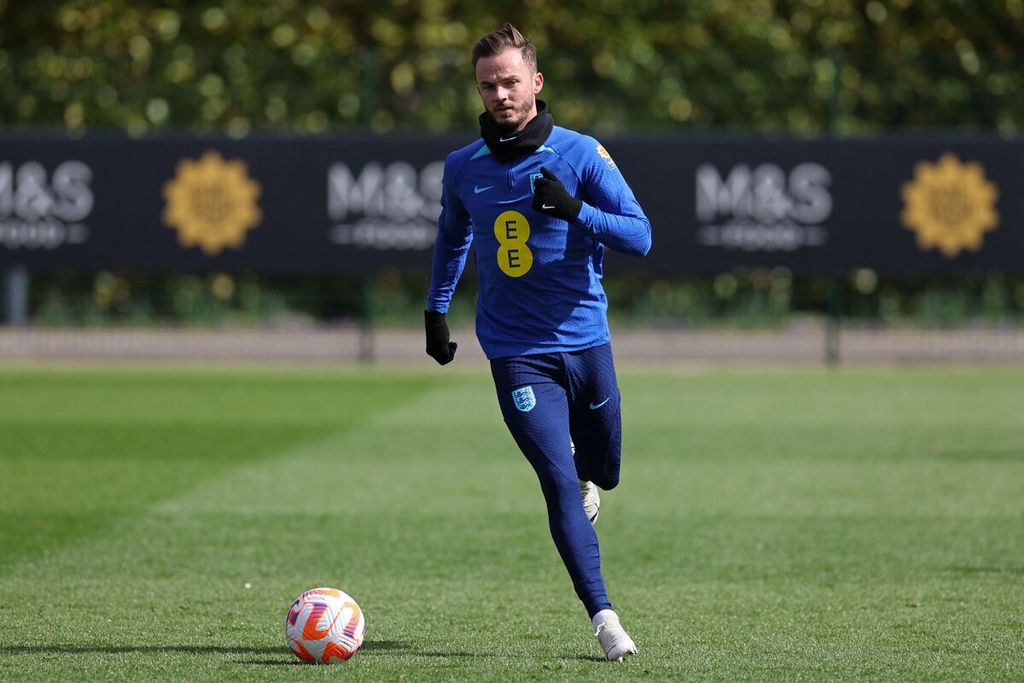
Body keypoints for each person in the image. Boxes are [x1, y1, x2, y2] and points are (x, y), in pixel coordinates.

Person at [424, 23, 651, 662]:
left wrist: (576, 212)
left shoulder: (581, 154)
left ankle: (592, 476)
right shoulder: (462, 167)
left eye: (510, 81)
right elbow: (452, 237)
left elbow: (640, 236)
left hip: (586, 341)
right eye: (487, 84)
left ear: (537, 82)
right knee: (556, 480)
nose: (499, 94)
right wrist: (435, 311)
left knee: (602, 469)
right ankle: (605, 618)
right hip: (515, 351)